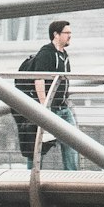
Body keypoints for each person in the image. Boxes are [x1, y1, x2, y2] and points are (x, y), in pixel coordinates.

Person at [26, 18, 82, 171]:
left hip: (63, 108)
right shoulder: (46, 53)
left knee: (72, 142)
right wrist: (45, 106)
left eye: (70, 33)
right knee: (40, 145)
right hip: (51, 108)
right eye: (67, 33)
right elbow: (39, 78)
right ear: (56, 34)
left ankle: (72, 177)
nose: (70, 36)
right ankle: (30, 176)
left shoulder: (64, 55)